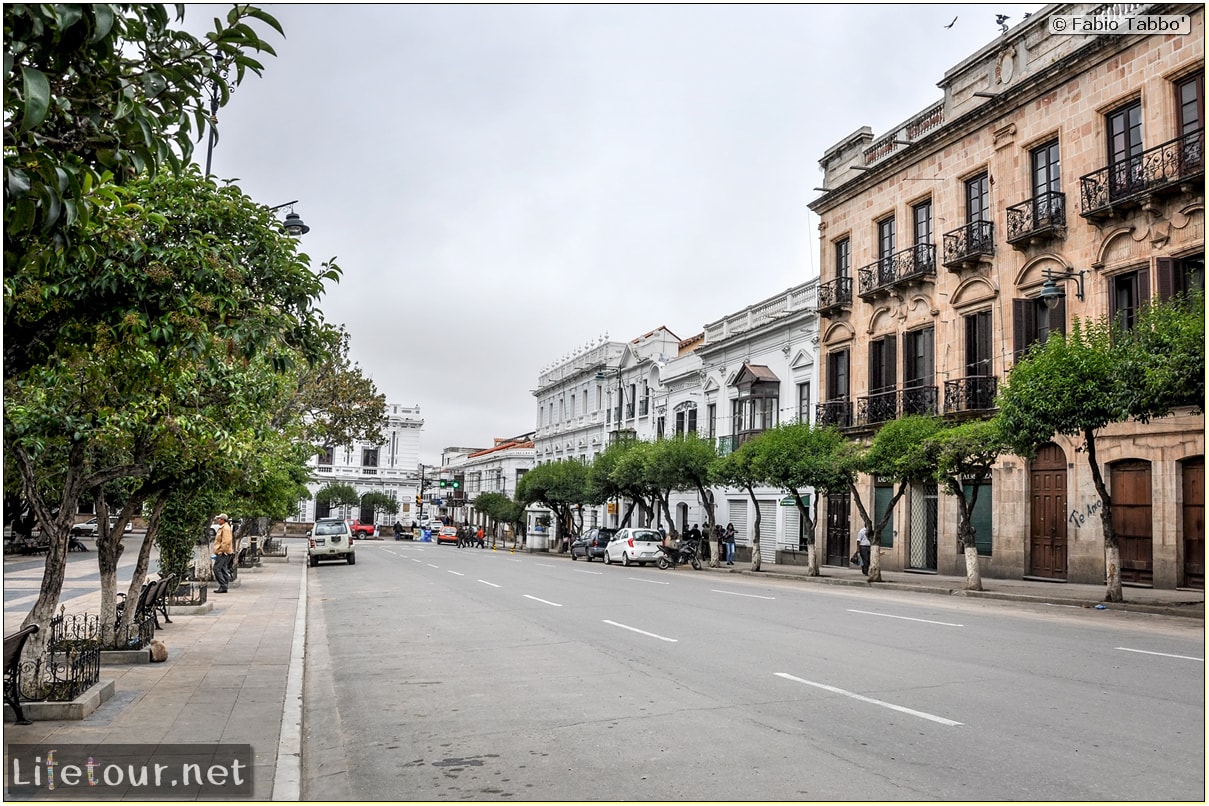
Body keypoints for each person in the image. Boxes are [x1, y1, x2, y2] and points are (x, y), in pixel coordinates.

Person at [212, 513, 235, 593]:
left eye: (219, 519)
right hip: (224, 552)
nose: (218, 520)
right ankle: (224, 586)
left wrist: (221, 551)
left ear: (223, 520)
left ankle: (223, 585)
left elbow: (226, 541)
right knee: (223, 568)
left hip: (223, 552)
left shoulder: (225, 528)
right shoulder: (224, 527)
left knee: (216, 569)